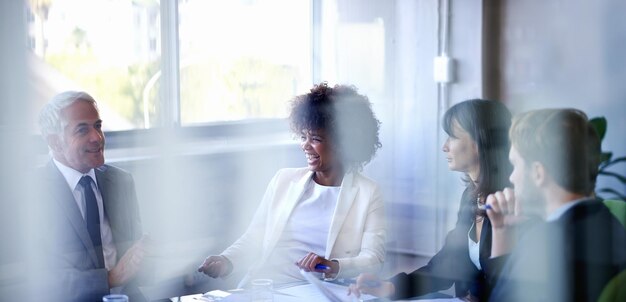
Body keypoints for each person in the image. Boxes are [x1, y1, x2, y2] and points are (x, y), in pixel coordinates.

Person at [197, 82, 386, 287]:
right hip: (265, 288)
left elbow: (373, 259)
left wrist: (332, 266)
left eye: (315, 138)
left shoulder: (368, 193)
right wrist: (227, 260)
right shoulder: (284, 180)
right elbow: (256, 236)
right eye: (303, 136)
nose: (305, 145)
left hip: (316, 293)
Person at [349, 99, 513, 301]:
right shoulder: (471, 197)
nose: (445, 146)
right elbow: (448, 263)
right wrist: (392, 286)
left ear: (479, 142)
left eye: (452, 137)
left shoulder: (508, 202)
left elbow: (506, 281)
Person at [484, 108, 626, 301]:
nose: (511, 177)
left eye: (515, 165)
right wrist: (502, 229)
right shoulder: (611, 224)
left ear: (537, 173)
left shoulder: (546, 244)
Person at [34, 91, 149, 301]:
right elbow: (42, 281)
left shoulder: (121, 181)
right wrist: (110, 278)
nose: (97, 138)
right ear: (54, 142)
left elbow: (135, 262)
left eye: (98, 126)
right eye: (82, 130)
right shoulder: (33, 194)